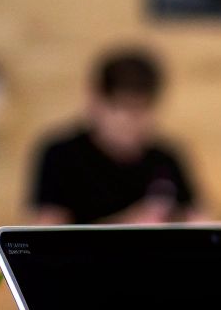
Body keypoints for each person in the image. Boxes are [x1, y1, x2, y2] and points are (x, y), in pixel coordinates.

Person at [28, 47, 206, 224]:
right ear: (95, 101)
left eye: (142, 109)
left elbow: (195, 216)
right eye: (121, 107)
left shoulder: (166, 158)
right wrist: (125, 227)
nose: (132, 121)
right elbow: (48, 236)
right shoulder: (61, 156)